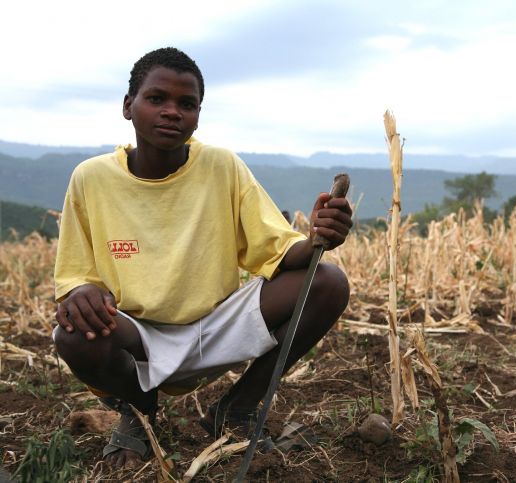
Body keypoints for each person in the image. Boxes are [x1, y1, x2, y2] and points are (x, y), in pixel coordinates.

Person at [52, 47, 352, 469]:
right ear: (128, 106)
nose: (172, 112)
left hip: (216, 325)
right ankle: (140, 413)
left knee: (328, 282)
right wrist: (82, 292)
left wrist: (318, 237)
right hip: (139, 335)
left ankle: (238, 408)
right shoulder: (91, 178)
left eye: (186, 103)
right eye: (157, 99)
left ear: (197, 114)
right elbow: (76, 275)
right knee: (71, 335)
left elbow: (281, 251)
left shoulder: (222, 166)